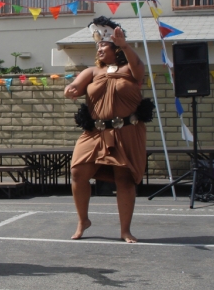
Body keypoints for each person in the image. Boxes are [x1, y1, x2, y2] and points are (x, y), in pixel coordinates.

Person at [64, 16, 153, 243]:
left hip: (126, 131)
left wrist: (125, 45)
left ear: (116, 48)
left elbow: (139, 68)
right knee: (78, 172)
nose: (99, 49)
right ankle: (83, 220)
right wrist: (70, 89)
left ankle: (125, 230)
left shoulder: (131, 70)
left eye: (103, 45)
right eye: (98, 46)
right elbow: (75, 85)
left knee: (124, 179)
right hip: (95, 132)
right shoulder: (92, 72)